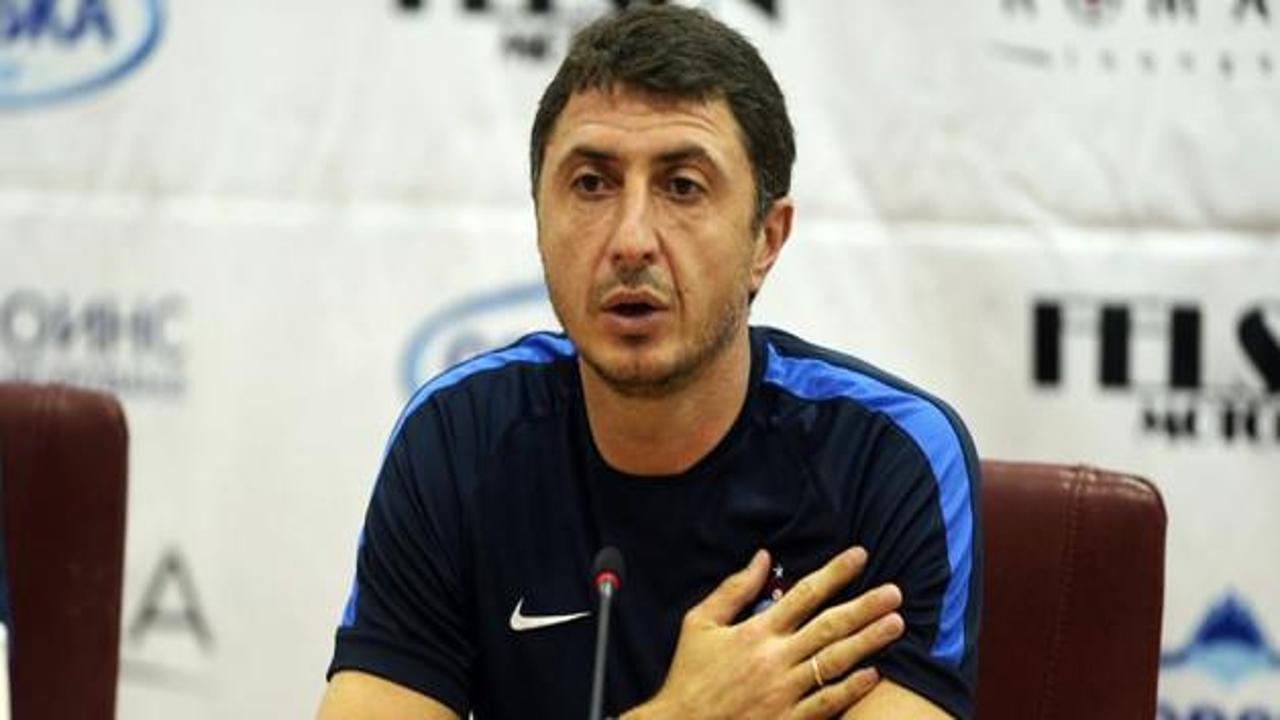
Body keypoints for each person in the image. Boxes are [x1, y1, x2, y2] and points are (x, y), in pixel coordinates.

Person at [317, 5, 981, 719]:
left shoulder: (887, 457)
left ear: (765, 239)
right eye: (592, 185)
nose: (631, 239)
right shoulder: (458, 438)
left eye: (682, 186)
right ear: (539, 220)